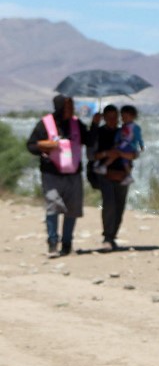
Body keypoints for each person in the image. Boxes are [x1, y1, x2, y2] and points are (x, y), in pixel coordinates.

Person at [27, 94, 89, 256]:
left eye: (72, 106)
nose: (71, 110)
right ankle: (53, 242)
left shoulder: (77, 124)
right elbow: (31, 145)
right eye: (68, 107)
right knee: (53, 205)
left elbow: (89, 140)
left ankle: (67, 243)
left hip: (73, 174)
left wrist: (95, 125)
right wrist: (46, 146)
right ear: (60, 107)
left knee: (73, 209)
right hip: (51, 173)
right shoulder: (44, 124)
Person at [88, 104, 138, 250]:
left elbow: (134, 153)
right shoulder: (97, 133)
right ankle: (107, 237)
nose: (112, 121)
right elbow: (91, 155)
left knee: (119, 207)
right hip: (105, 174)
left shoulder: (125, 132)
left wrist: (122, 155)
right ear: (104, 118)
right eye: (109, 118)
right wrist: (106, 154)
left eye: (115, 118)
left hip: (122, 174)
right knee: (109, 205)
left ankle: (113, 235)